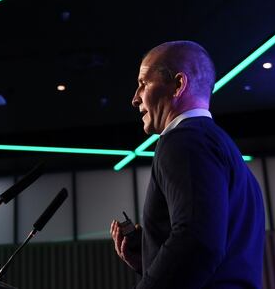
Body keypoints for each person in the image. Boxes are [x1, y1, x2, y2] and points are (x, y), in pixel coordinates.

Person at [110, 41, 265, 288]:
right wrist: (150, 259)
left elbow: (198, 242)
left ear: (178, 85)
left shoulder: (182, 140)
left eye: (143, 84)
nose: (135, 99)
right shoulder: (222, 146)